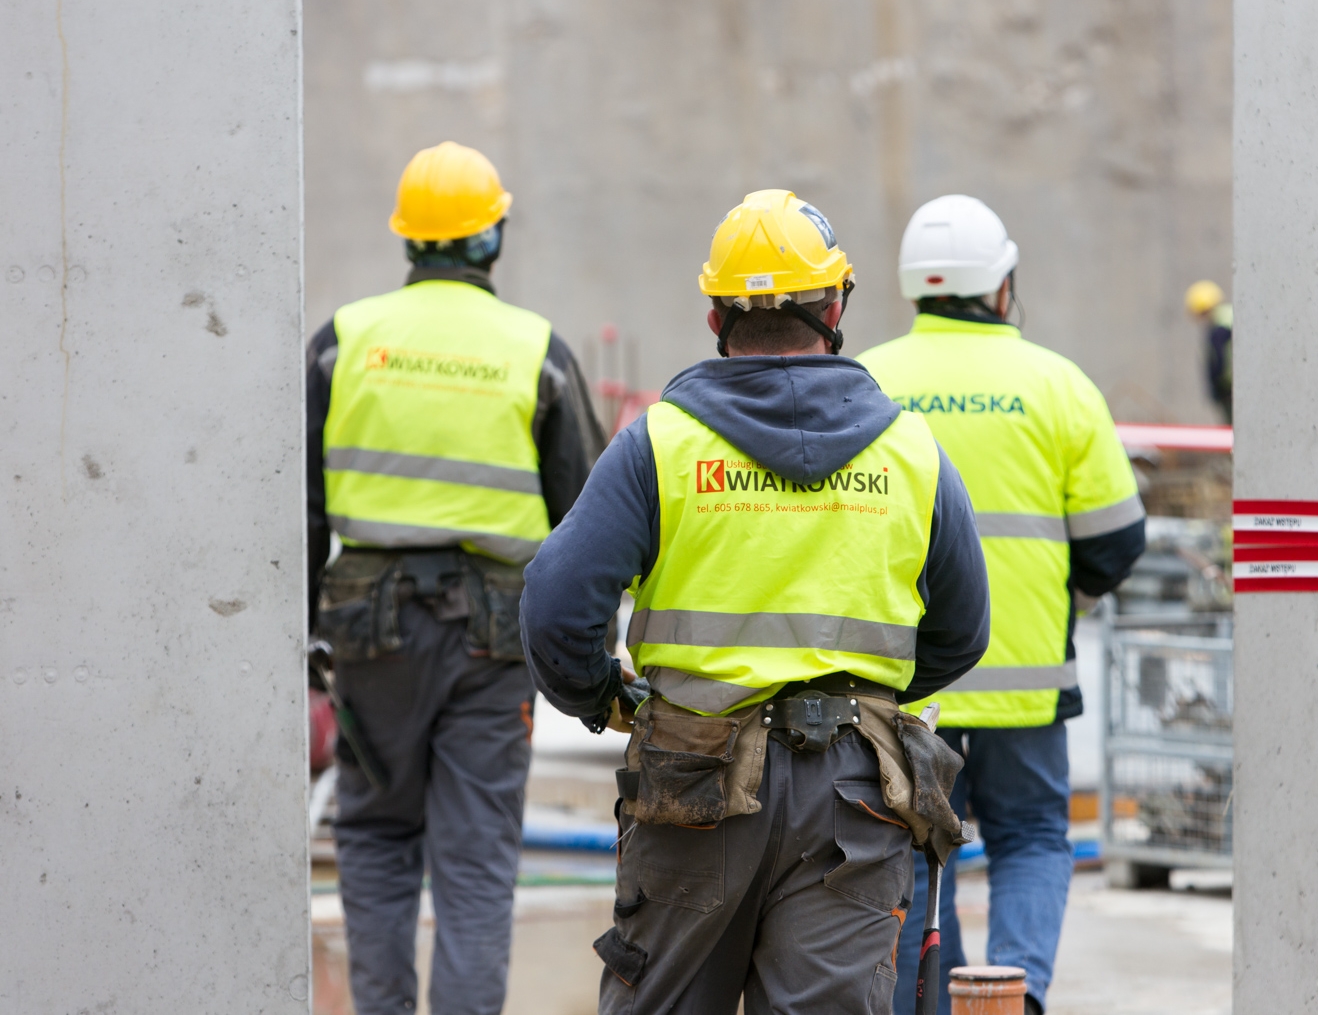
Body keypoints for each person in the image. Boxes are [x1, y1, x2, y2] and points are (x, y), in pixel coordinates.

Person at [520, 189, 991, 1015]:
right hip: (856, 798)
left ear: (714, 317)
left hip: (692, 781)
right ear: (836, 304)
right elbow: (962, 628)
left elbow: (557, 605)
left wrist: (605, 697)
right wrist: (868, 707)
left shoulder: (660, 444)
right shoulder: (911, 450)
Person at [306, 141, 605, 1015]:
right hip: (490, 637)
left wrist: (302, 638)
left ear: (408, 238)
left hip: (370, 631)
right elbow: (584, 525)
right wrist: (583, 665)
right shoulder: (536, 351)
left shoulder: (343, 343)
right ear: (493, 237)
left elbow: (298, 509)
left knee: (374, 835)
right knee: (474, 859)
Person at [857, 194, 1146, 1015]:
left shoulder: (869, 382)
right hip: (1025, 688)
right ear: (1003, 286)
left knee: (910, 851)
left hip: (907, 694)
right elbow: (1118, 540)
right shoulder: (1058, 385)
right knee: (1028, 841)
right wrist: (1064, 602)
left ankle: (924, 1001)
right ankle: (1012, 1000)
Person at [1184, 278, 1233, 422]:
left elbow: (1219, 361)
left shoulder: (1219, 327)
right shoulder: (1230, 315)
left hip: (1230, 391)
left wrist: (1220, 389)